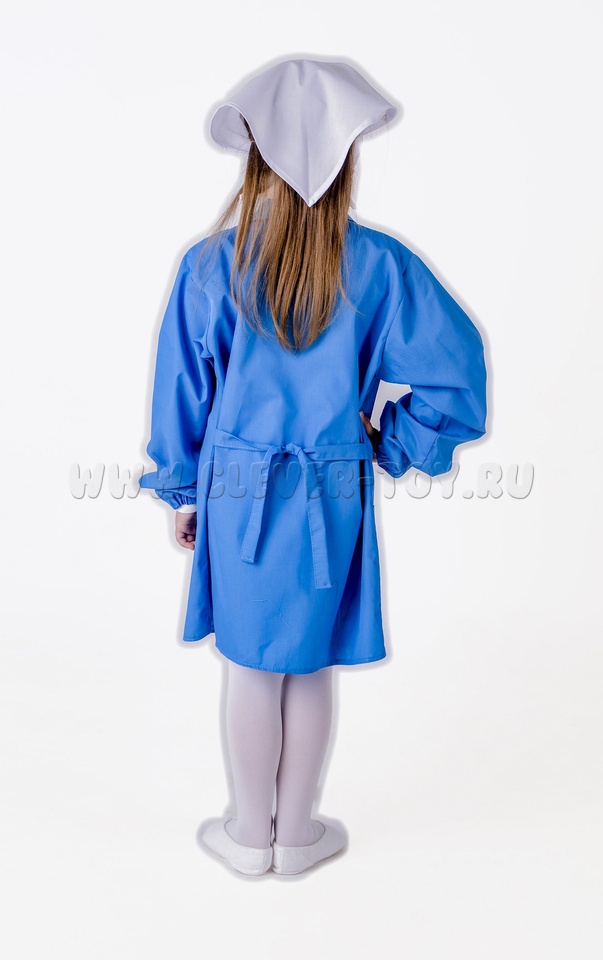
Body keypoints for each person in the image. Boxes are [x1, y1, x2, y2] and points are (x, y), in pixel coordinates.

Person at [138, 58, 488, 877]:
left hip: (239, 490)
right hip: (332, 488)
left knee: (252, 665)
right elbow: (456, 380)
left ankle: (247, 835)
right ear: (346, 157)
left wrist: (186, 494)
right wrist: (388, 443)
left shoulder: (208, 266)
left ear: (253, 157)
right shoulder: (378, 264)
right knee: (309, 657)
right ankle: (295, 835)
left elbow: (181, 394)